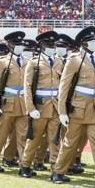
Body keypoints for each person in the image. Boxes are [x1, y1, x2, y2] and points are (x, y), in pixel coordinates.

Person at [52, 26, 95, 184]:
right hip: (79, 107)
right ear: (84, 44)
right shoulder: (74, 59)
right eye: (92, 41)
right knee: (70, 142)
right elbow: (64, 86)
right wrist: (62, 111)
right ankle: (58, 171)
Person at [18, 31, 61, 178]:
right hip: (40, 107)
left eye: (53, 44)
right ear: (42, 46)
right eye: (49, 44)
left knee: (55, 140)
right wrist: (30, 108)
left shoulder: (59, 62)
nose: (52, 47)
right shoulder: (34, 63)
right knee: (34, 139)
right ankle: (25, 165)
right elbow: (27, 87)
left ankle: (55, 170)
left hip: (55, 106)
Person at [0, 31, 27, 173]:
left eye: (21, 44)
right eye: (16, 44)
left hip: (22, 104)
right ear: (10, 45)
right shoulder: (2, 62)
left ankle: (24, 165)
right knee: (1, 135)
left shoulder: (26, 62)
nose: (19, 46)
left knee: (22, 136)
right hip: (7, 103)